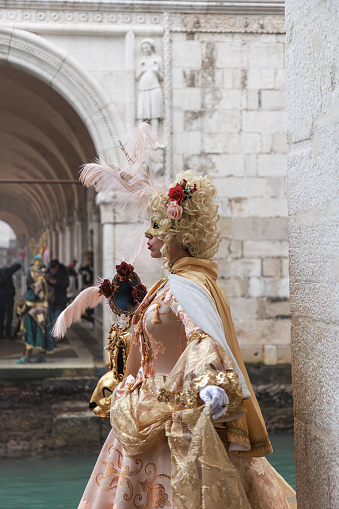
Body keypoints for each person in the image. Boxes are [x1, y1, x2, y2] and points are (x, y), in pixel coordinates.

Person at [55, 125, 296, 508]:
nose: (146, 236)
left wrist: (210, 385)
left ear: (178, 230)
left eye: (156, 227)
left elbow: (202, 339)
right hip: (144, 410)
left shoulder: (189, 285)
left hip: (176, 417)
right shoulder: (170, 284)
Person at [16, 255, 55, 363]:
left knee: (30, 334)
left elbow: (29, 302)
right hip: (43, 312)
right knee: (41, 334)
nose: (32, 274)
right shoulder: (43, 282)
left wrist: (20, 311)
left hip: (34, 314)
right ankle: (42, 355)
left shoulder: (37, 285)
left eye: (33, 271)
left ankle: (26, 357)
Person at [135, 38, 164, 132]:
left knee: (155, 113)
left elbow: (162, 77)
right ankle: (140, 137)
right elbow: (137, 77)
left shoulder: (157, 59)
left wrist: (156, 71)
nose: (145, 50)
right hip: (143, 88)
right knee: (141, 113)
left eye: (147, 48)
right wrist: (142, 70)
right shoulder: (141, 60)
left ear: (151, 47)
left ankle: (155, 138)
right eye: (143, 48)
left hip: (154, 87)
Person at [0, 262, 21, 339]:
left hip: (0, 296)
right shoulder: (6, 271)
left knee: (1, 315)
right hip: (8, 296)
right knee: (9, 314)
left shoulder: (2, 272)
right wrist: (8, 267)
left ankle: (0, 334)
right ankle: (8, 333)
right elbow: (18, 265)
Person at [79, 251, 94, 324]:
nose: (86, 262)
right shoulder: (84, 268)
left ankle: (89, 315)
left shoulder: (91, 269)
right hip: (85, 288)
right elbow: (80, 270)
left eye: (88, 260)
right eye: (85, 260)